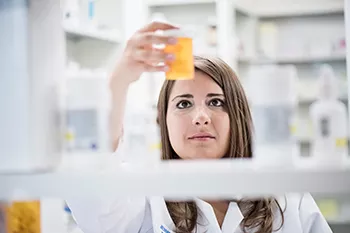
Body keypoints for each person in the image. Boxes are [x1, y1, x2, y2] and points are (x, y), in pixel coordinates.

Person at [66, 21, 333, 233]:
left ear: (237, 115)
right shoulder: (143, 195)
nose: (201, 117)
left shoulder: (287, 199)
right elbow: (93, 194)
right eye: (183, 104)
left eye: (216, 102)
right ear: (163, 121)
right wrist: (122, 77)